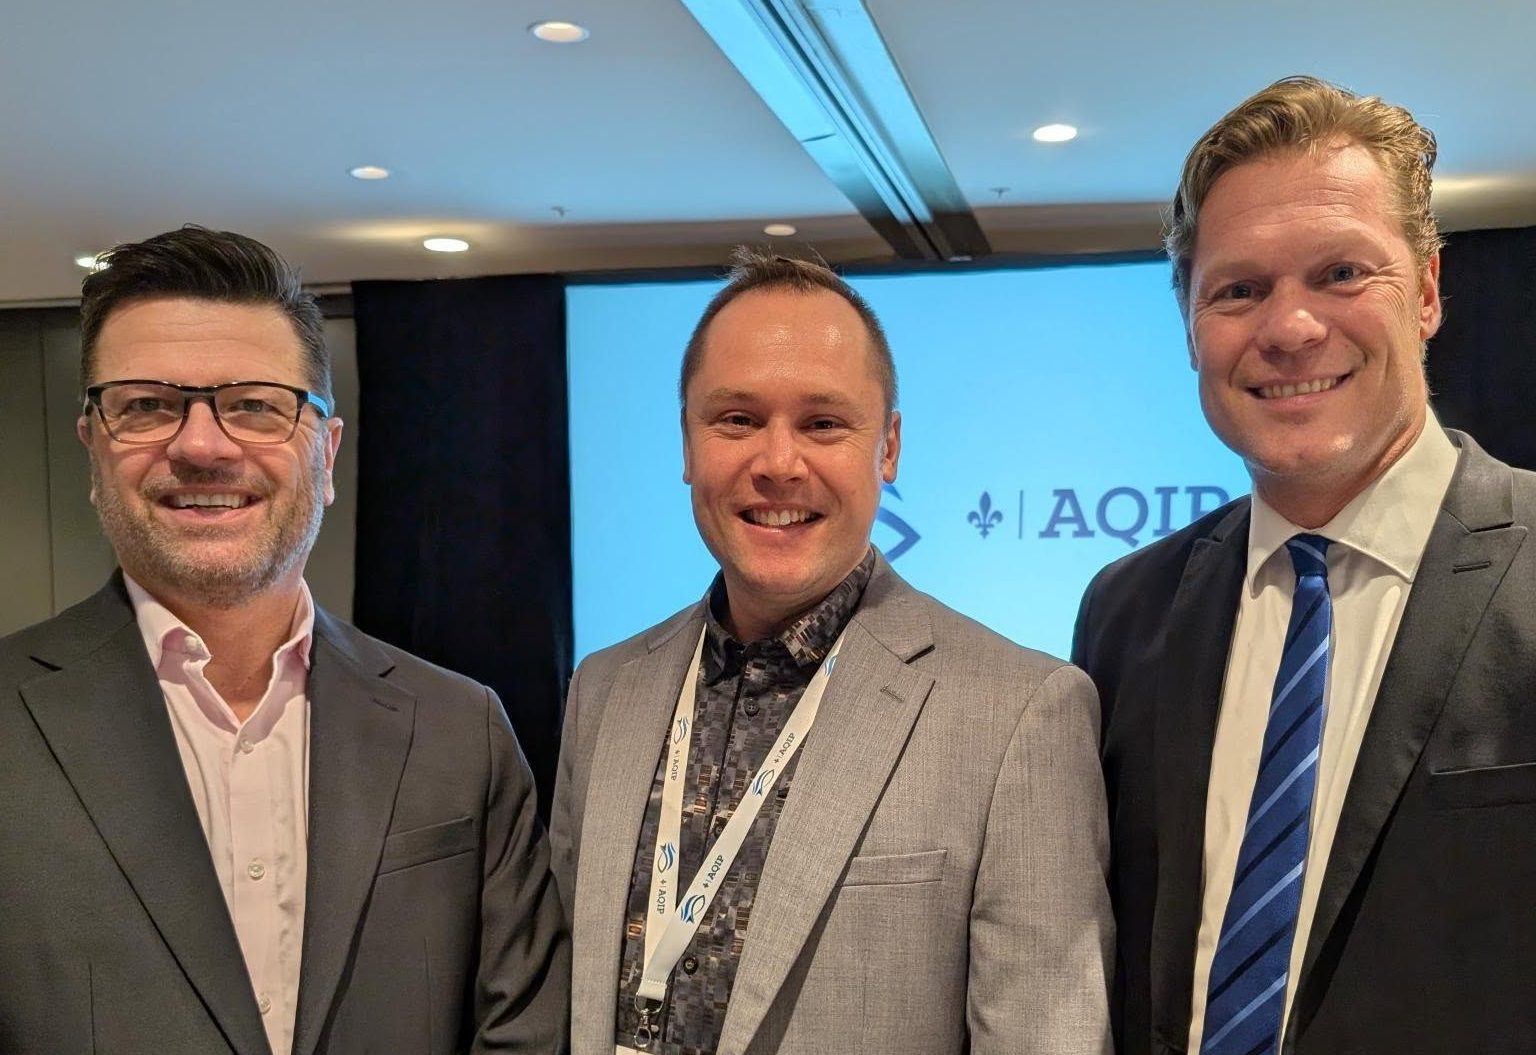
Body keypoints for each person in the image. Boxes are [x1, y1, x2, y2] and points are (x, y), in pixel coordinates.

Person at [0, 225, 567, 1054]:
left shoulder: (459, 731)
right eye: (146, 404)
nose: (201, 445)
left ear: (326, 455)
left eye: (256, 405)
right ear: (94, 448)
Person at [550, 249, 1113, 1055]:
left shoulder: (1021, 712)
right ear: (687, 443)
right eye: (737, 419)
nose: (778, 463)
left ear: (888, 447)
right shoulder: (606, 691)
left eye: (822, 423)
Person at [1073, 76, 1536, 1054]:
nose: (1289, 329)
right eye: (1239, 289)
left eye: (1340, 273)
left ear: (1427, 291)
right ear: (1191, 324)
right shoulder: (1127, 611)